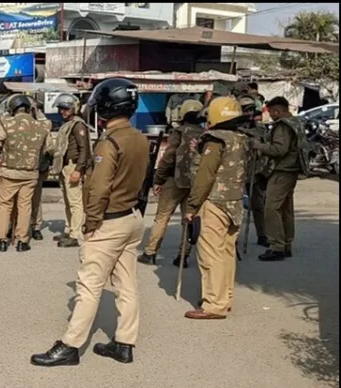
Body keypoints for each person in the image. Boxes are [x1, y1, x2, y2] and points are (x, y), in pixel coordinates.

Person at [31, 78, 148, 367]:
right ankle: (124, 342)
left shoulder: (109, 143)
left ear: (106, 106)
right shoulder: (140, 138)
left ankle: (70, 346)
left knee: (89, 285)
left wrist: (91, 223)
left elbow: (98, 188)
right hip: (131, 218)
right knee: (127, 285)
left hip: (109, 221)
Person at [184, 96, 251, 320]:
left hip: (213, 201)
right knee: (227, 252)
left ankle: (213, 304)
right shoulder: (241, 139)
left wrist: (192, 206)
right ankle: (225, 298)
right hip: (234, 201)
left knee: (210, 254)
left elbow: (205, 176)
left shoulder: (214, 141)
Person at [138, 99, 205, 268]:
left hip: (174, 180)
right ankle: (183, 256)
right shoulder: (205, 134)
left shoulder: (179, 132)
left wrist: (158, 179)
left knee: (162, 217)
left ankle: (150, 252)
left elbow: (168, 158)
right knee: (188, 219)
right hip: (195, 183)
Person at [0, 95, 53, 252]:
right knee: (25, 206)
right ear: (29, 109)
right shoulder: (41, 126)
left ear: (12, 109)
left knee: (5, 206)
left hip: (10, 172)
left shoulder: (7, 123)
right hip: (30, 174)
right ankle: (22, 241)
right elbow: (50, 147)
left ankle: (1, 240)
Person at [253, 96, 310, 261]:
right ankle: (286, 244)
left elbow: (279, 149)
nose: (270, 115)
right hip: (291, 169)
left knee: (271, 208)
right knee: (285, 208)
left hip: (282, 170)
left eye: (271, 112)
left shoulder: (282, 126)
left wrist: (259, 146)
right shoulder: (295, 122)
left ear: (277, 111)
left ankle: (276, 246)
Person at [51, 93, 91, 248]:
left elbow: (84, 149)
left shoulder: (78, 125)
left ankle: (76, 234)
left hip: (73, 166)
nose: (63, 111)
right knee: (68, 201)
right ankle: (69, 229)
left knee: (75, 202)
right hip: (65, 166)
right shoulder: (68, 124)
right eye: (61, 108)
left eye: (66, 108)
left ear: (73, 108)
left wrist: (79, 170)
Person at [238, 95, 270, 247]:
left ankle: (262, 234)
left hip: (255, 171)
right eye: (245, 110)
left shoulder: (261, 129)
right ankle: (232, 237)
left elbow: (267, 147)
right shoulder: (234, 128)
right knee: (235, 206)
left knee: (258, 205)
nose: (249, 114)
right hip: (236, 171)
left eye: (251, 110)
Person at [29, 103, 55, 241]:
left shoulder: (42, 126)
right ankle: (32, 227)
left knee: (35, 199)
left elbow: (49, 148)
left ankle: (35, 226)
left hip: (36, 167)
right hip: (30, 167)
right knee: (33, 199)